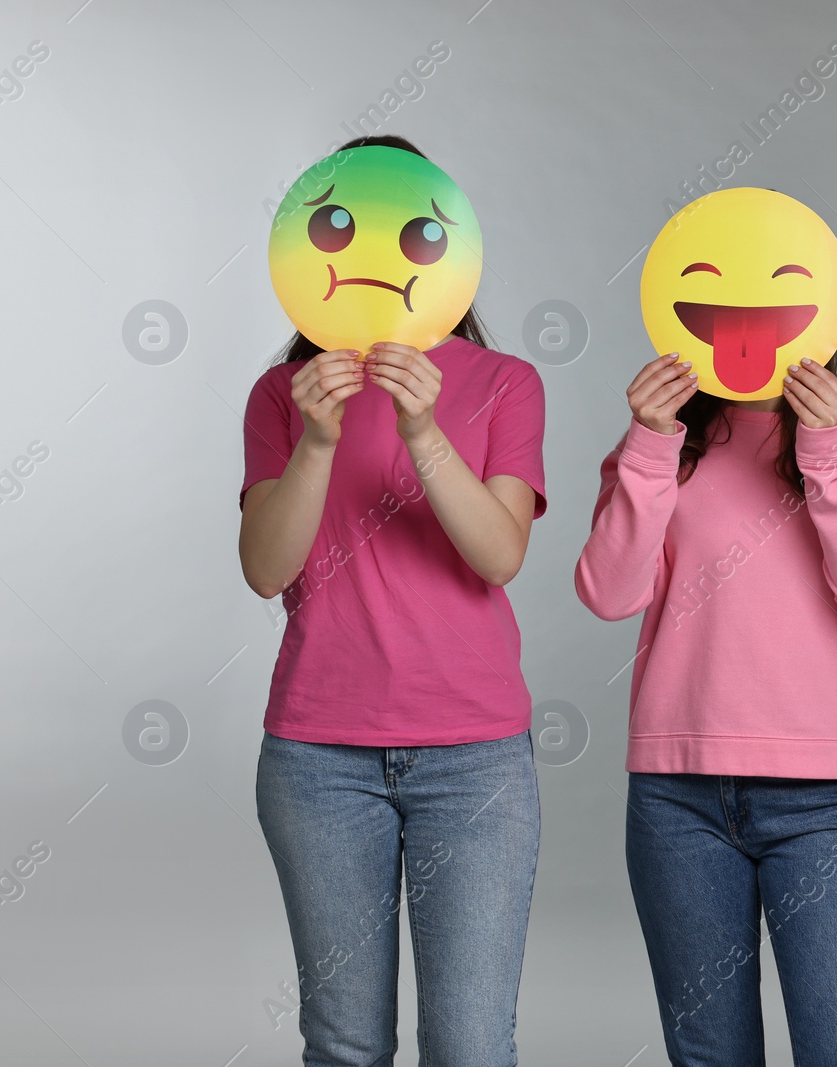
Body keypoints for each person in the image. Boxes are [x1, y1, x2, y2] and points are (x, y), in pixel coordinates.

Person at [238, 135, 545, 1066]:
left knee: (470, 1044)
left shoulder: (504, 384)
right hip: (318, 760)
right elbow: (264, 567)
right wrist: (319, 445)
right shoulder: (282, 397)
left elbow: (498, 553)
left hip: (477, 761)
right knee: (343, 1043)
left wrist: (422, 428)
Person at [575, 348, 837, 1066]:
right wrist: (648, 442)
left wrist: (825, 454)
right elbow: (609, 592)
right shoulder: (664, 439)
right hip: (678, 797)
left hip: (823, 797)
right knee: (711, 1056)